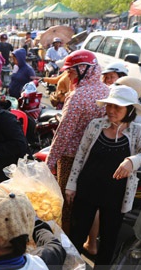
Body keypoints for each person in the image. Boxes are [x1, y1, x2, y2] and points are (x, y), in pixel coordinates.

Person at [65, 85, 141, 270]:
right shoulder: (96, 125)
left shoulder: (137, 131)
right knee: (77, 232)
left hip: (116, 195)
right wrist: (71, 184)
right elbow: (80, 155)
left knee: (109, 237)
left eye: (118, 108)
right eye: (110, 106)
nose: (112, 111)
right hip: (87, 189)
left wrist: (133, 160)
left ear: (130, 110)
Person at [46, 50, 109, 234]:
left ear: (84, 69)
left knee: (66, 206)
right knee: (89, 205)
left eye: (71, 71)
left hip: (70, 159)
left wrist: (49, 162)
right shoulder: (107, 91)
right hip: (96, 160)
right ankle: (89, 243)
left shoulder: (77, 96)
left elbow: (63, 134)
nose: (69, 75)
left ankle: (65, 244)